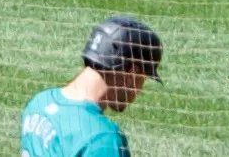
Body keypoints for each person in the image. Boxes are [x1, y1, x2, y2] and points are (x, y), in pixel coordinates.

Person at [20, 15, 162, 157]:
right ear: (132, 73)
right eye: (143, 78)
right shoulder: (102, 139)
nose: (140, 89)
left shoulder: (39, 103)